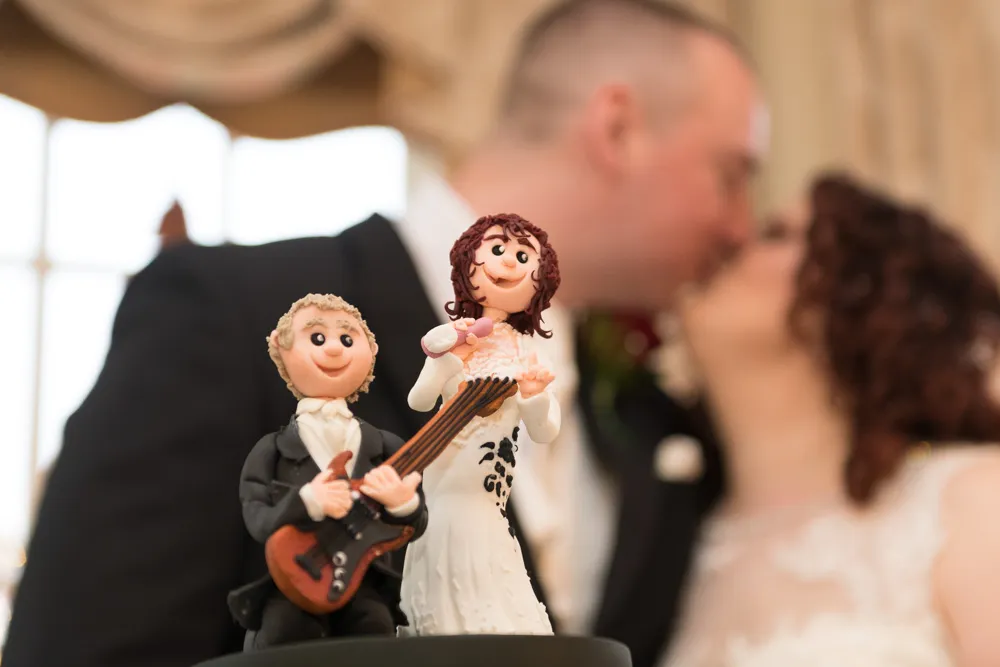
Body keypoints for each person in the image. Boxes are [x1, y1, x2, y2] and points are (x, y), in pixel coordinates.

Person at [4, 2, 763, 667]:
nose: (741, 225)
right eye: (732, 173)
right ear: (618, 129)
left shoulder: (643, 421)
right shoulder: (228, 316)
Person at [661, 174, 1000, 667]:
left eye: (776, 234)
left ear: (860, 295)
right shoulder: (671, 549)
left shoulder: (966, 503)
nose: (733, 241)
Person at [228, 293, 427, 648]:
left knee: (375, 631)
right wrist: (307, 501)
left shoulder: (386, 446)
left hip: (364, 582)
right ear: (280, 347)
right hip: (293, 579)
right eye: (317, 338)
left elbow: (419, 521)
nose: (334, 349)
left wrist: (403, 504)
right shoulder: (271, 449)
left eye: (347, 339)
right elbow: (257, 518)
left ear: (372, 350)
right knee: (285, 634)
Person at [400, 214, 561, 635]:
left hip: (490, 482)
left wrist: (533, 394)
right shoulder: (454, 335)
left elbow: (545, 431)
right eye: (496, 250)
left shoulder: (527, 351)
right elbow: (419, 400)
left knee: (488, 545)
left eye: (523, 256)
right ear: (465, 265)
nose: (508, 263)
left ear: (539, 282)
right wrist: (449, 359)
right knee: (445, 529)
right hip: (445, 468)